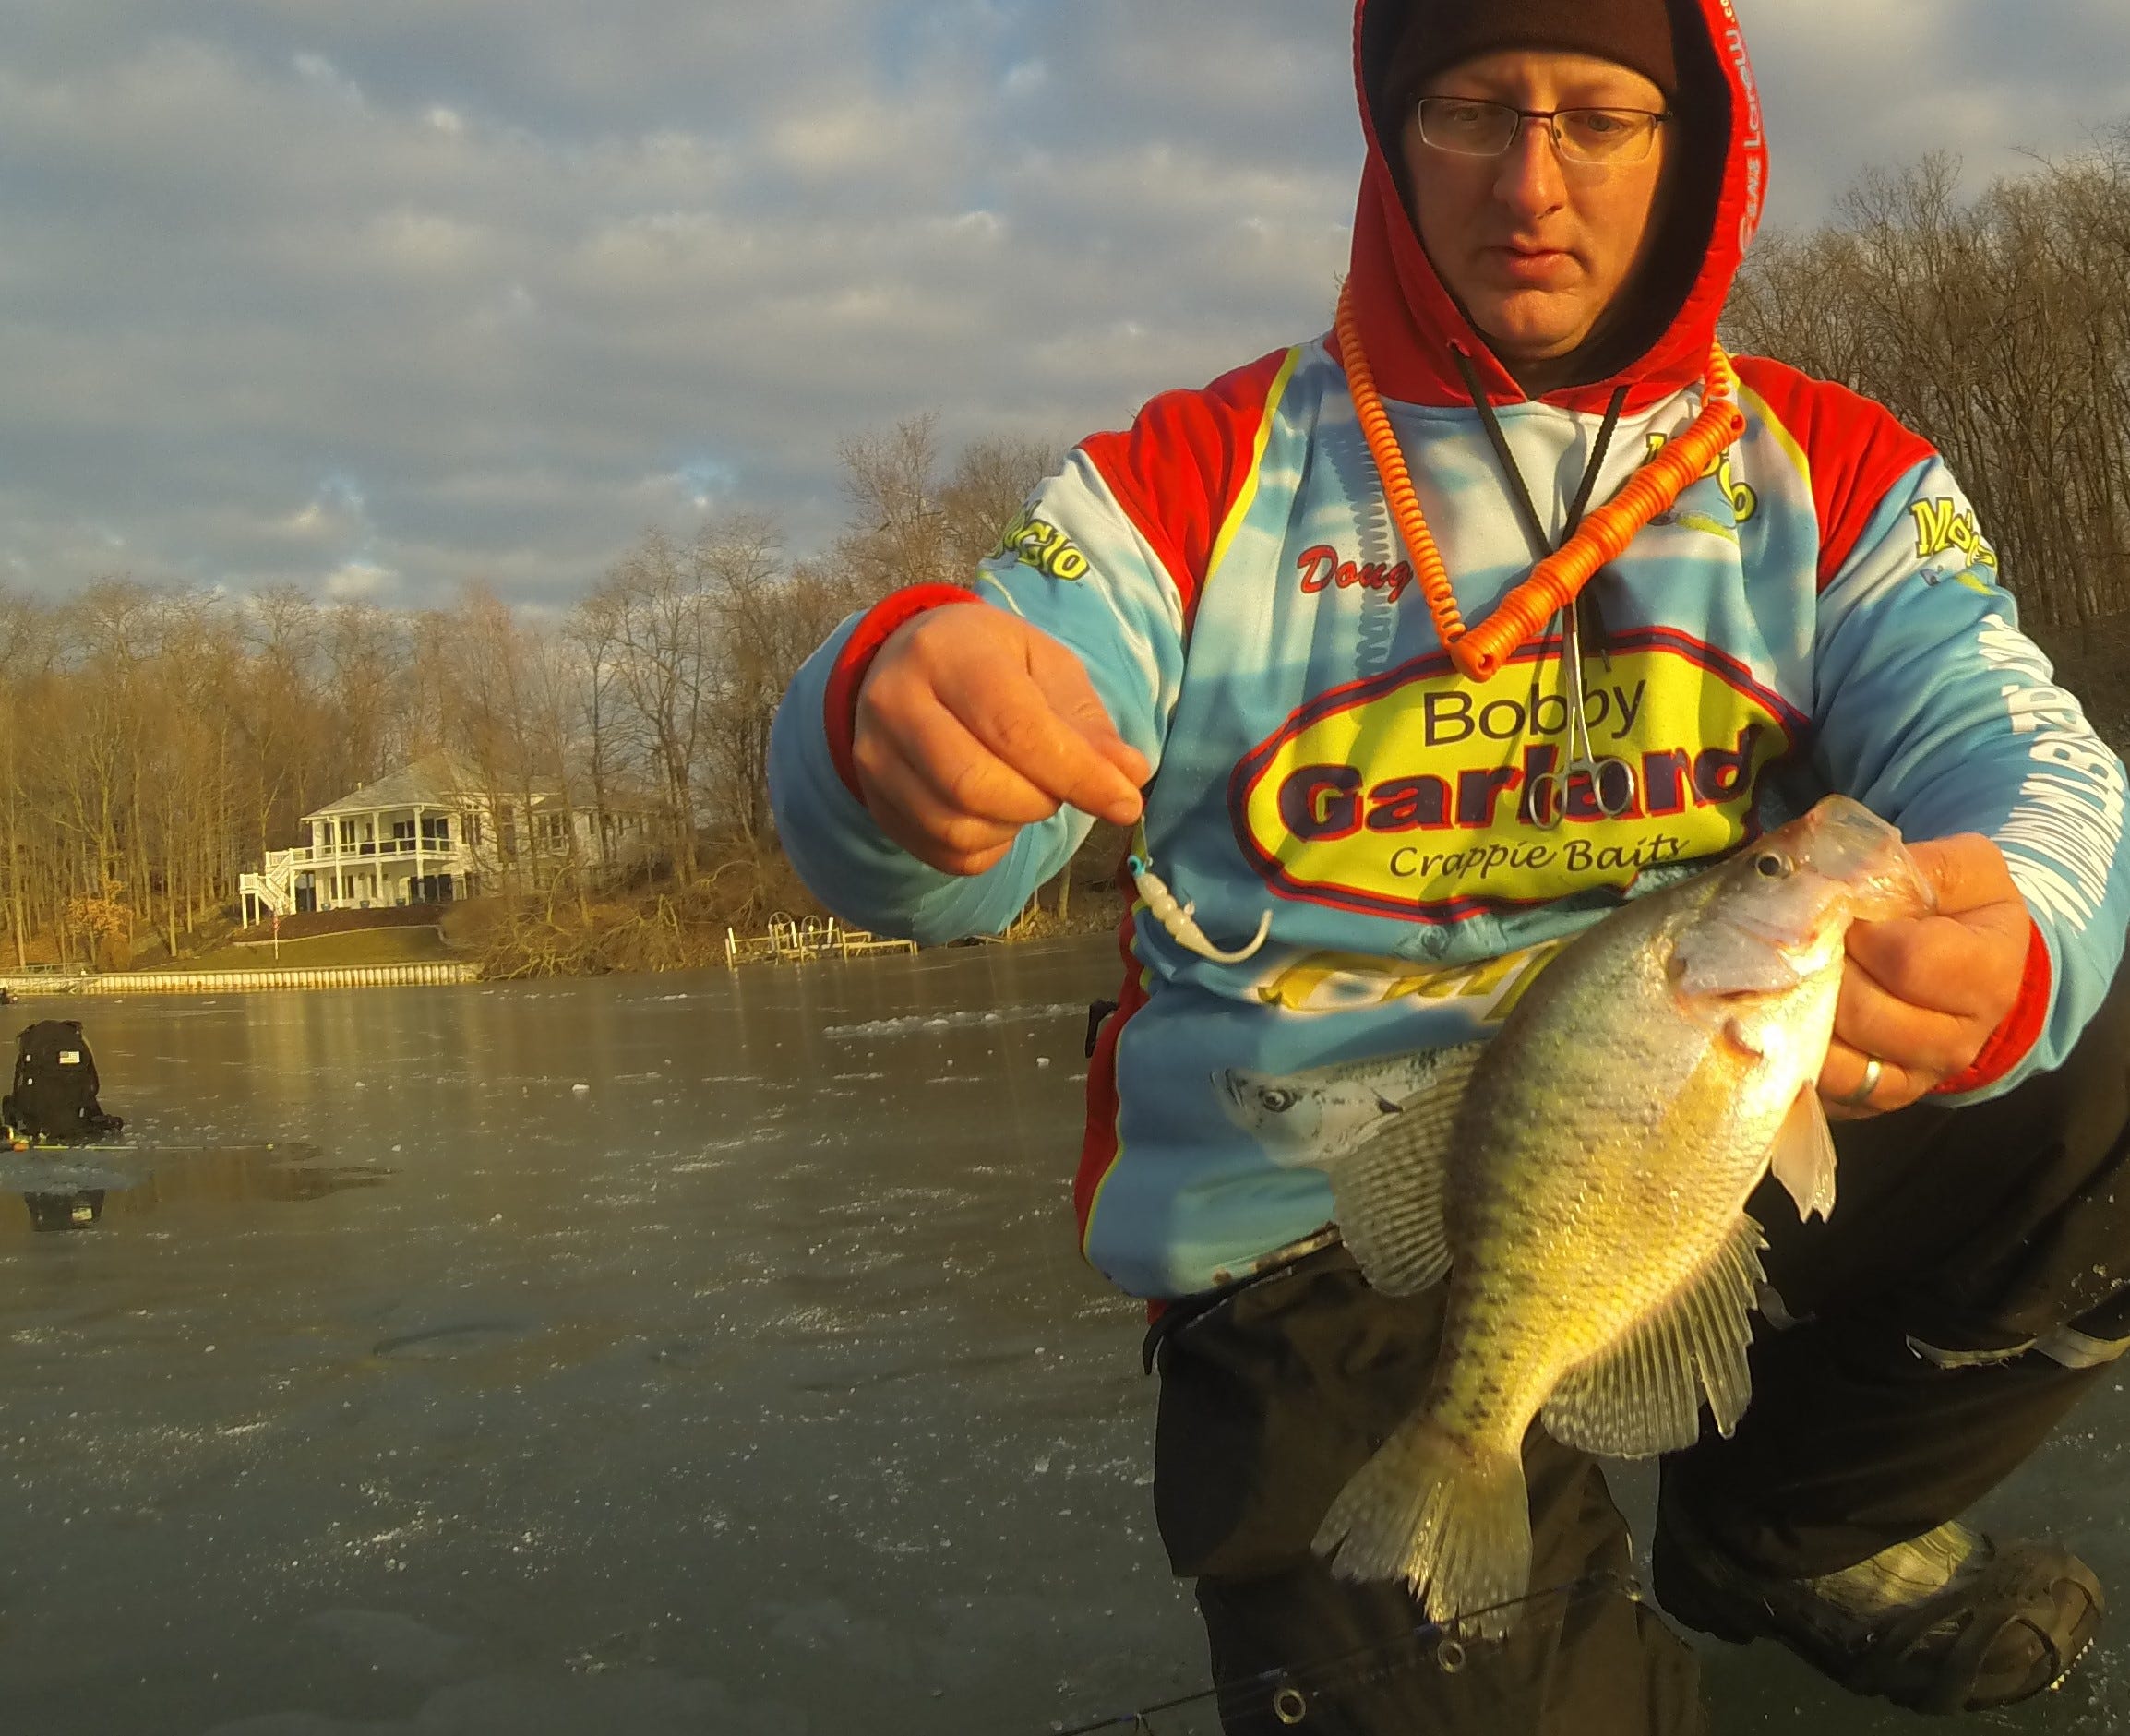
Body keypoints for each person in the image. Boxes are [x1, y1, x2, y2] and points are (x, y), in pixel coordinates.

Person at [769, 0, 2130, 1728]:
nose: (1532, 184)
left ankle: (1794, 1522)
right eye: (1475, 110)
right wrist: (885, 729)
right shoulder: (1195, 478)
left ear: (1693, 141)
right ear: (1393, 134)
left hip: (1692, 1157)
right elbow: (960, 830)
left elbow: (2029, 759)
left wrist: (2017, 930)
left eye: (1600, 118)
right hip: (1315, 1233)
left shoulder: (1835, 473)